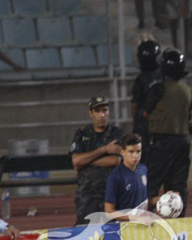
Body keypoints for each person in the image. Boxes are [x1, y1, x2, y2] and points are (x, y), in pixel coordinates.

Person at [145, 47, 192, 217]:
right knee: (178, 185)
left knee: (151, 183)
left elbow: (144, 114)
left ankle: (143, 220)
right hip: (183, 142)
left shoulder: (159, 88)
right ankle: (179, 219)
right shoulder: (187, 91)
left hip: (162, 142)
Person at [69, 96, 125, 226]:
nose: (102, 115)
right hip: (87, 195)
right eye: (98, 111)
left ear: (109, 112)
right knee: (85, 233)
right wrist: (105, 149)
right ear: (91, 113)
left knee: (113, 233)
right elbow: (76, 161)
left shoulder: (116, 134)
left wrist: (87, 161)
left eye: (105, 110)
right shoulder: (82, 134)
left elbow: (116, 160)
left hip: (112, 194)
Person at [104, 134, 150, 221]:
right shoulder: (115, 176)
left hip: (142, 225)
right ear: (122, 152)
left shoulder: (143, 170)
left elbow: (145, 201)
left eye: (138, 151)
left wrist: (163, 199)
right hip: (123, 228)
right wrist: (136, 218)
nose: (135, 155)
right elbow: (109, 211)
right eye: (131, 152)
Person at [131, 38, 162, 165]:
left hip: (144, 124)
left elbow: (134, 105)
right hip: (162, 124)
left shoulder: (141, 79)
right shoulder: (164, 76)